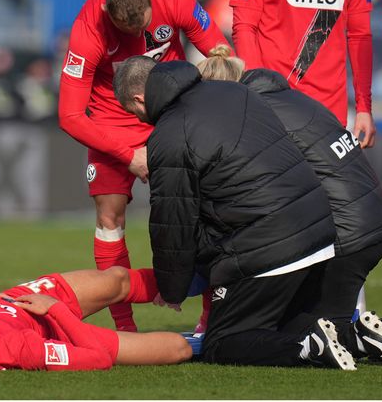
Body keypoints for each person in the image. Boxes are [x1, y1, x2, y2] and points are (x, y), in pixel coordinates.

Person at [114, 56, 355, 370]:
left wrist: (172, 288)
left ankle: (309, 346)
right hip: (319, 228)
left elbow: (173, 223)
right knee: (277, 326)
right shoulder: (234, 92)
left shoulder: (169, 135)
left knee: (222, 342)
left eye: (133, 113)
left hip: (272, 245)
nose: (138, 119)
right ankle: (356, 334)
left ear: (139, 99)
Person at [58, 0, 231, 332]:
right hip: (111, 120)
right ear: (107, 11)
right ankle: (125, 327)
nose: (139, 36)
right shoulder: (87, 31)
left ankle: (210, 319)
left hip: (169, 109)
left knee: (205, 210)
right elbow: (70, 116)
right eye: (127, 29)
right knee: (110, 218)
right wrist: (128, 154)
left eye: (146, 25)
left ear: (152, 1)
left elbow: (220, 53)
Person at [197, 44, 382, 361]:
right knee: (320, 324)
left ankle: (357, 336)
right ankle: (368, 337)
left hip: (343, 235)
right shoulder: (292, 98)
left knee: (291, 332)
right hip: (371, 222)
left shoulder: (255, 115)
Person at [0, 266, 192, 370]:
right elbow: (98, 358)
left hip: (20, 298)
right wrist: (54, 309)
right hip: (56, 325)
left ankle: (199, 278)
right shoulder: (21, 349)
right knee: (177, 348)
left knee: (116, 279)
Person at [229, 0, 376, 148]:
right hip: (274, 108)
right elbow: (244, 27)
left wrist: (364, 107)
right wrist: (257, 93)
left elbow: (360, 36)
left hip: (329, 114)